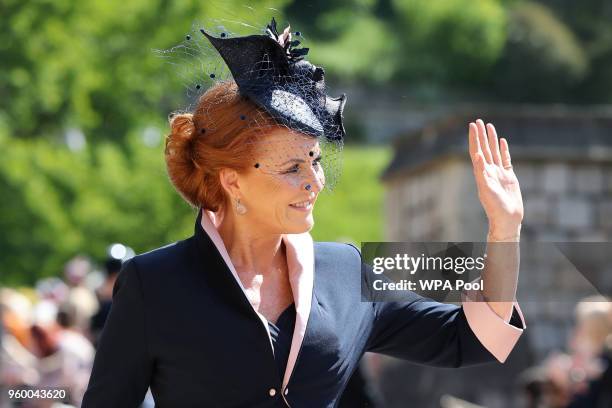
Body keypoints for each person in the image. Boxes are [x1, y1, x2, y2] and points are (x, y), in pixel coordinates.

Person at [82, 17, 527, 407]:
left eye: (314, 161)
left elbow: (472, 339)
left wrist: (503, 232)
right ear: (232, 180)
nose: (315, 181)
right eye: (292, 168)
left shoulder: (345, 270)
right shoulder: (153, 283)